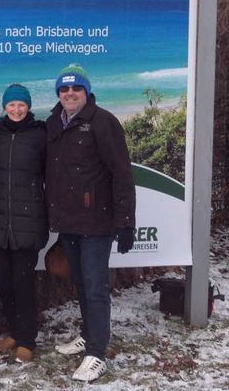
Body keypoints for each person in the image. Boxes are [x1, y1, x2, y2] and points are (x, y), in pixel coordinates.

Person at [45, 64, 136, 383]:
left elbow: (121, 173)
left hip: (97, 222)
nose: (70, 94)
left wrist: (125, 221)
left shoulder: (103, 122)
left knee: (95, 287)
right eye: (64, 90)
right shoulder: (54, 123)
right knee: (81, 283)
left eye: (76, 89)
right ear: (59, 93)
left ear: (86, 92)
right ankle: (88, 335)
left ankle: (97, 353)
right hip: (69, 222)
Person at [0, 83, 48, 363]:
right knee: (4, 283)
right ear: (4, 107)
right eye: (12, 104)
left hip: (28, 221)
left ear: (29, 107)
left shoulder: (40, 134)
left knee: (23, 284)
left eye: (22, 104)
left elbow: (49, 175)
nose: (17, 109)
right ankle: (13, 331)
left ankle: (27, 339)